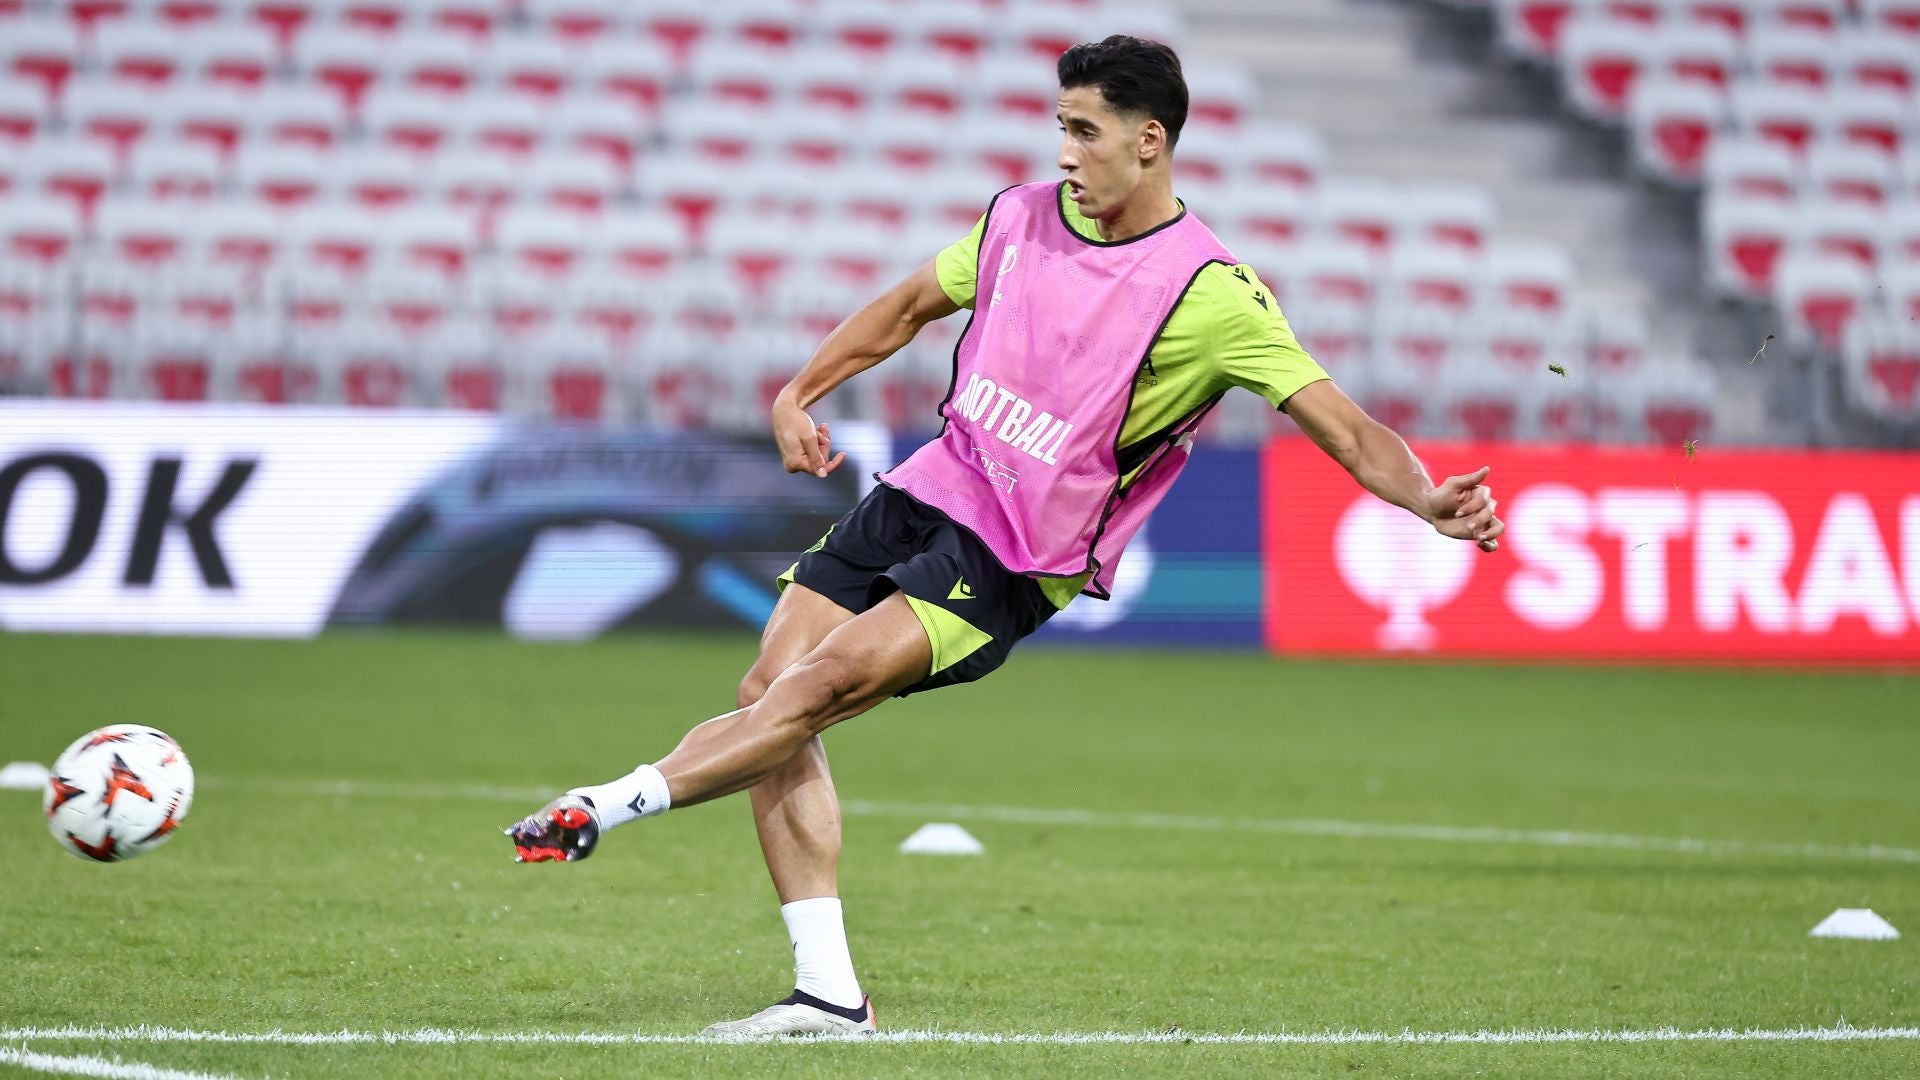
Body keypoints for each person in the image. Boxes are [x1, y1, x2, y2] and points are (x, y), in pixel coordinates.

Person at [507, 35, 1505, 1037]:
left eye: (1086, 132)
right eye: (1060, 129)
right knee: (767, 694)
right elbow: (906, 308)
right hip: (933, 484)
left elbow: (1343, 425)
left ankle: (604, 806)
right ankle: (827, 994)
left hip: (1016, 553)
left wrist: (1425, 499)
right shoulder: (1019, 218)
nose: (1065, 153)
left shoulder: (1211, 295)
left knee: (815, 692)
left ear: (1149, 140)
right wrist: (799, 392)